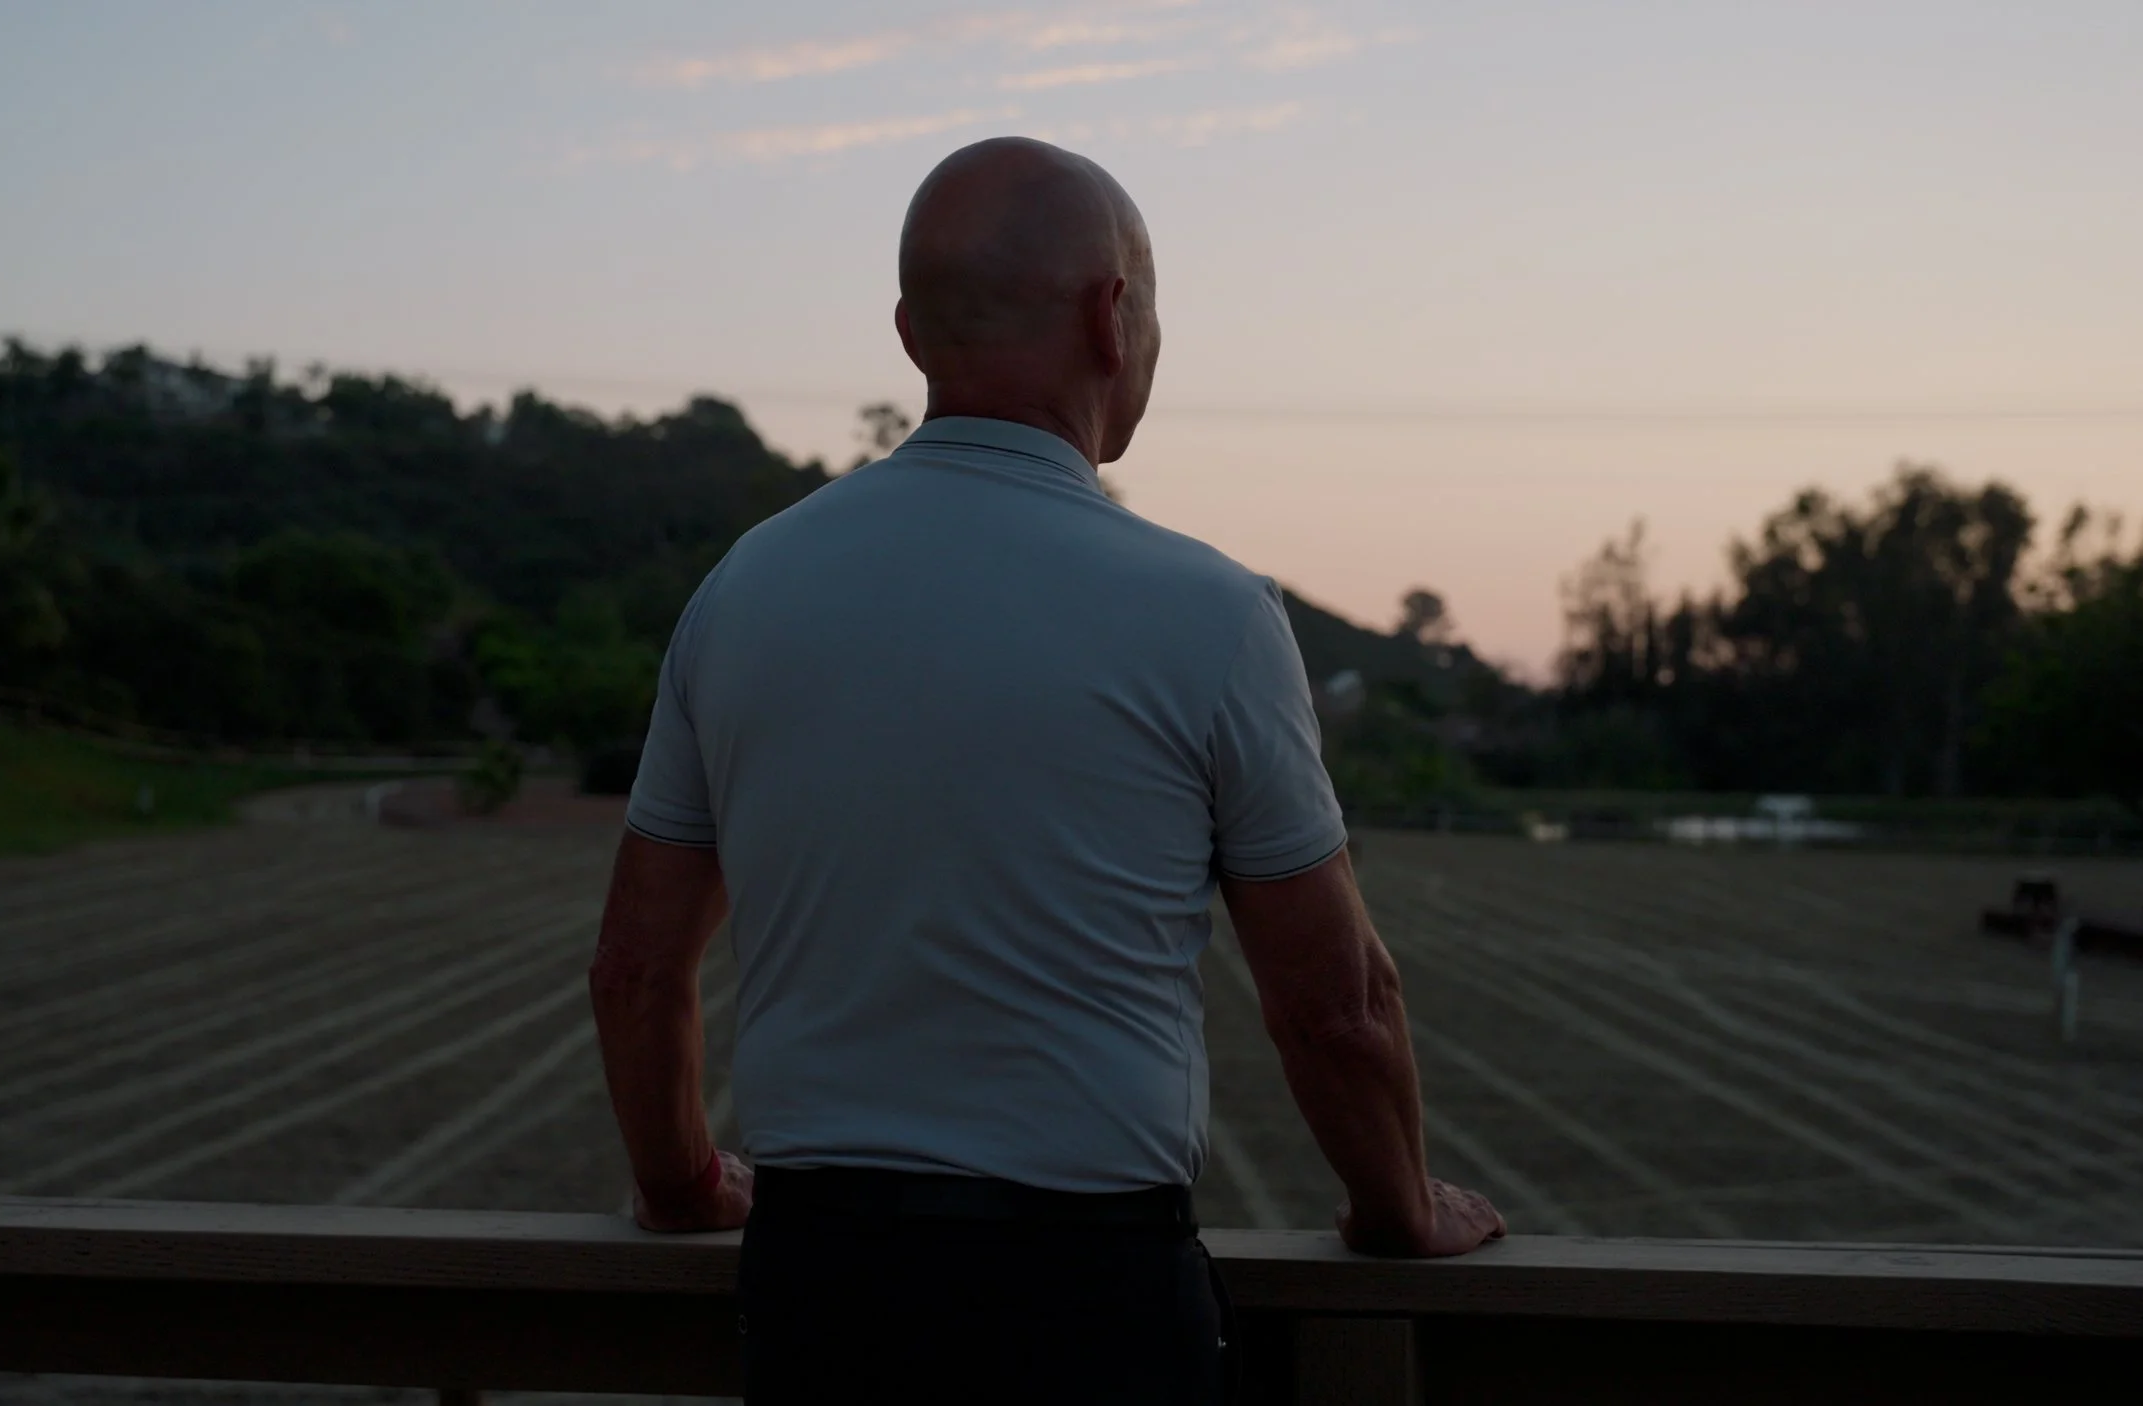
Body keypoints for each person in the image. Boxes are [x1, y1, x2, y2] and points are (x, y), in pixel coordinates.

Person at [590, 135, 1504, 1405]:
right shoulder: (1208, 612)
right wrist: (1402, 1210)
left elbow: (637, 968)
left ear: (909, 331)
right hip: (1092, 1296)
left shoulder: (743, 590)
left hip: (818, 1293)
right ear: (1111, 316)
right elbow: (1336, 1002)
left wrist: (684, 1183)